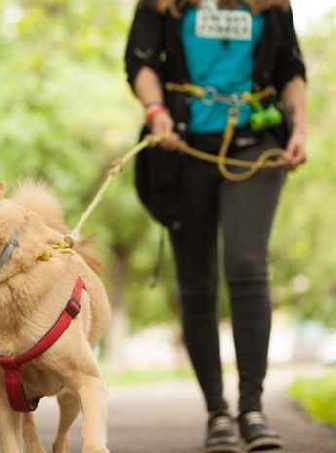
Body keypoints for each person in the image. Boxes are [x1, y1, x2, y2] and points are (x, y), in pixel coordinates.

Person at [124, 0, 307, 452]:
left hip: (255, 143)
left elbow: (291, 69)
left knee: (246, 263)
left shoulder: (271, 5)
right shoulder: (163, 6)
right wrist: (156, 112)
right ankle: (217, 413)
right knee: (196, 281)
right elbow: (141, 62)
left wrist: (299, 127)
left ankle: (252, 408)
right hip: (182, 145)